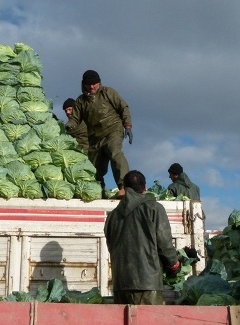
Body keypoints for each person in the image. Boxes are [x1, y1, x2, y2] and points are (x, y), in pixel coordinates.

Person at [104, 170, 180, 305]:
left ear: (125, 189)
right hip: (148, 285)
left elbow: (111, 247)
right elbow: (164, 244)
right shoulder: (154, 208)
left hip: (120, 285)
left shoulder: (112, 216)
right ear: (145, 187)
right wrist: (174, 264)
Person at [66, 70, 132, 198]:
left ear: (99, 82)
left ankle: (124, 187)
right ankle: (99, 192)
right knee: (95, 168)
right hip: (95, 138)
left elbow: (123, 107)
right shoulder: (80, 101)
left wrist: (127, 126)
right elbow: (75, 119)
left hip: (113, 130)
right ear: (83, 85)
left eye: (94, 84)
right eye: (88, 84)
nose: (92, 87)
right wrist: (69, 125)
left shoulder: (108, 92)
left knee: (115, 153)